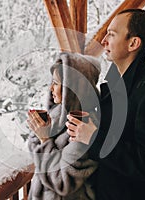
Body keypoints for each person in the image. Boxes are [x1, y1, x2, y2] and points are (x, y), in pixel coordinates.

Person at [66, 9, 145, 200]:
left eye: (111, 34)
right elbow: (123, 133)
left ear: (133, 43)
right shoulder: (118, 83)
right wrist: (93, 124)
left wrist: (94, 137)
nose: (104, 41)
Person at [27, 52, 101, 200]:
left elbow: (63, 181)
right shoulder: (58, 113)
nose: (51, 89)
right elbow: (34, 146)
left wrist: (44, 140)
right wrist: (39, 131)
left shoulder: (83, 126)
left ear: (72, 88)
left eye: (56, 83)